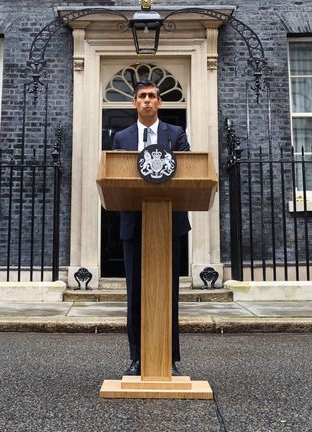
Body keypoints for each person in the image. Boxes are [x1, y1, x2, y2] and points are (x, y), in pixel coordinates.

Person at [111, 80, 190, 377]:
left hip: (169, 223)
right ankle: (137, 358)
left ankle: (169, 358)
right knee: (135, 294)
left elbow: (187, 171)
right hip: (134, 223)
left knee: (168, 294)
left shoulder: (176, 134)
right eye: (142, 96)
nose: (147, 101)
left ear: (159, 103)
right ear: (134, 103)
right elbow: (116, 174)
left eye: (152, 96)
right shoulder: (121, 137)